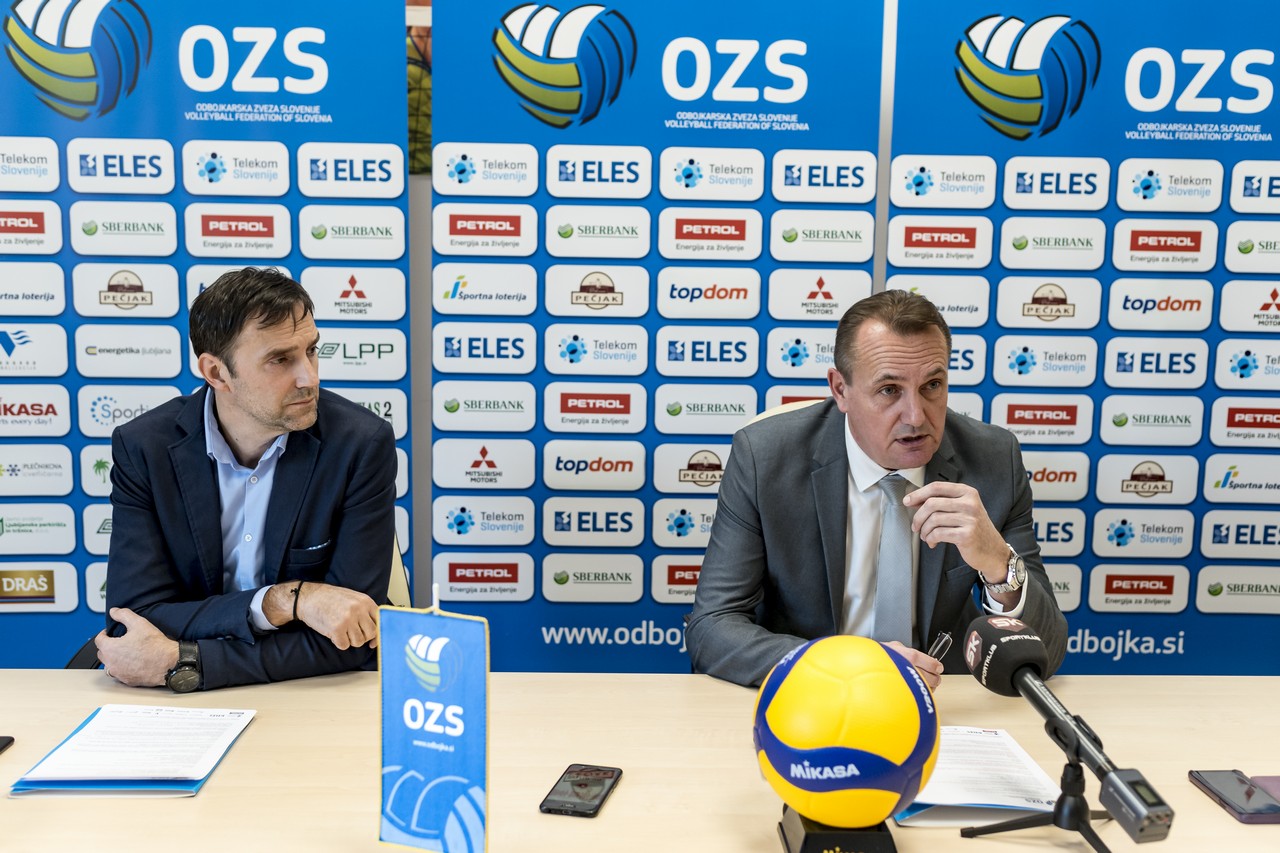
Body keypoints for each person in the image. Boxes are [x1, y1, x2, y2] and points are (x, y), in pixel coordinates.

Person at [686, 290, 1067, 689]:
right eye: (889, 390)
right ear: (840, 390)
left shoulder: (993, 461)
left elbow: (1049, 650)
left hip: (942, 700)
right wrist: (848, 667)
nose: (916, 416)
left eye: (932, 385)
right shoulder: (765, 459)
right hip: (815, 696)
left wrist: (999, 564)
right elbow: (713, 627)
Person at [95, 268, 397, 691]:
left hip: (308, 692)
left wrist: (188, 661)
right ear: (216, 373)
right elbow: (134, 619)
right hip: (186, 699)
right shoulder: (144, 448)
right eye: (280, 360)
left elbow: (352, 633)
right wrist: (286, 602)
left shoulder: (359, 444)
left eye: (312, 350)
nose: (310, 377)